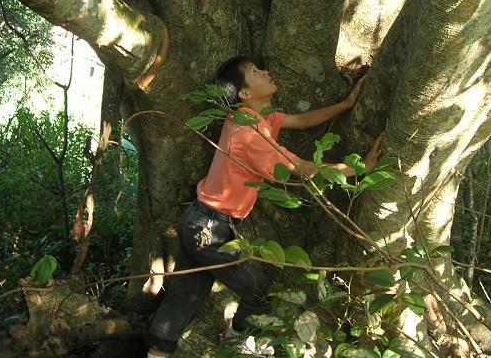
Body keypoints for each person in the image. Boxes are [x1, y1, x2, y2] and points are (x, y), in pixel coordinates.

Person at [145, 57, 383, 356]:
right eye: (256, 72)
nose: (265, 72)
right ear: (244, 94)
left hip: (199, 222)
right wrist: (360, 168)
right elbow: (303, 168)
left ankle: (158, 352)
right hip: (210, 229)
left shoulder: (250, 118)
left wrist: (346, 104)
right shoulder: (250, 134)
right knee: (259, 292)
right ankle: (233, 343)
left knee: (184, 296)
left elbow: (297, 120)